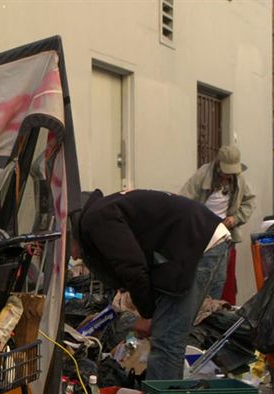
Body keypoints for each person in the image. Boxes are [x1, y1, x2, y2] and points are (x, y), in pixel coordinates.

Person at [70, 189, 231, 381]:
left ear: (70, 236)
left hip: (199, 243)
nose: (73, 257)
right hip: (195, 239)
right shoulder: (100, 214)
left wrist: (148, 315)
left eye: (68, 251)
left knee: (167, 340)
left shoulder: (96, 221)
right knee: (166, 337)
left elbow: (133, 268)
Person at [178, 145, 255, 303]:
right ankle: (198, 312)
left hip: (224, 235)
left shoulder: (238, 178)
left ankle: (214, 313)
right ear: (218, 165)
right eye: (226, 172)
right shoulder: (203, 175)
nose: (228, 176)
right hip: (202, 234)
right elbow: (183, 200)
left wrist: (235, 218)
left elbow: (249, 202)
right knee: (201, 277)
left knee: (221, 279)